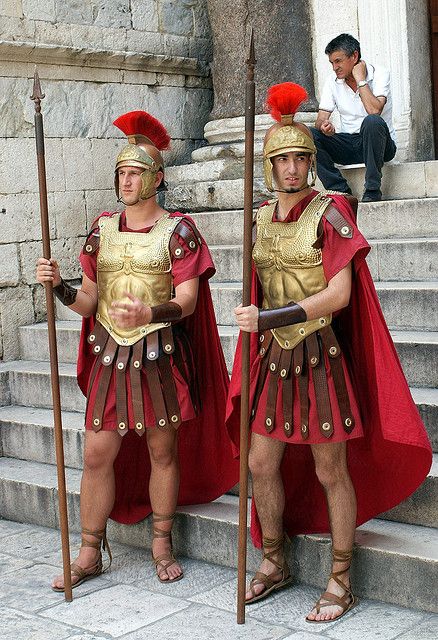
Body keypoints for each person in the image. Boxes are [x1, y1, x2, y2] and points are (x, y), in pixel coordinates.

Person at [226, 83, 431, 623]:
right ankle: (274, 561)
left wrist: (272, 319)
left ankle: (341, 577)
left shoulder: (333, 210)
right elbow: (257, 289)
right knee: (259, 462)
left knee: (330, 469)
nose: (291, 168)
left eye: (299, 158)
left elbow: (339, 295)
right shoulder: (260, 220)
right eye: (282, 160)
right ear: (270, 167)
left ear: (310, 162)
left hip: (320, 356)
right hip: (274, 361)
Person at [36, 110, 239, 591]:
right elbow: (89, 301)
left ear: (156, 178)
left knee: (162, 452)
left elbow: (188, 302)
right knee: (96, 455)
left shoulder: (180, 231)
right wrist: (60, 287)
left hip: (158, 354)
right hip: (110, 353)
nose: (126, 181)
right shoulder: (101, 230)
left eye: (135, 173)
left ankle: (161, 543)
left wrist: (149, 314)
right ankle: (89, 550)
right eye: (121, 173)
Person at [310, 33, 397, 202]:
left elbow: (374, 110)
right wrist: (324, 126)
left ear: (354, 56)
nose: (335, 67)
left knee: (372, 121)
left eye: (338, 61)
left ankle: (372, 189)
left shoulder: (380, 73)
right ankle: (340, 191)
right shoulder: (332, 82)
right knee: (309, 133)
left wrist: (361, 79)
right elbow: (320, 119)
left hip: (380, 145)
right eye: (332, 63)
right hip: (351, 144)